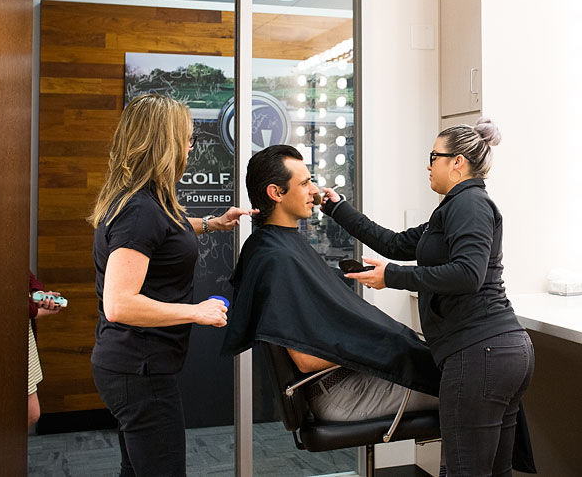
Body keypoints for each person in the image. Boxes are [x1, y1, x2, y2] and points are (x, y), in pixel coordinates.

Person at [321, 118, 534, 477]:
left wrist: (392, 276)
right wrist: (337, 208)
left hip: (481, 353)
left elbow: (468, 274)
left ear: (458, 162)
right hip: (494, 353)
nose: (428, 164)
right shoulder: (451, 209)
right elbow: (393, 243)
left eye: (434, 156)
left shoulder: (470, 205)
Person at [88, 93, 254, 477]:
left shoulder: (144, 202)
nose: (191, 147)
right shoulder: (139, 212)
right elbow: (120, 303)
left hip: (131, 366)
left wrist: (211, 223)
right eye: (187, 138)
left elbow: (164, 233)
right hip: (138, 370)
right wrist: (195, 312)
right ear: (164, 144)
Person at [221, 144, 441, 422]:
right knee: (469, 391)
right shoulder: (276, 258)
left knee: (463, 382)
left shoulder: (277, 245)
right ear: (276, 193)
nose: (314, 190)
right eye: (304, 183)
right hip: (341, 391)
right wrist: (380, 342)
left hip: (349, 379)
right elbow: (305, 358)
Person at [28, 271, 65, 428]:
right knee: (30, 412)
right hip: (4, 328)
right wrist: (33, 309)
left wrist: (36, 293)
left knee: (31, 412)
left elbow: (23, 272)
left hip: (24, 331)